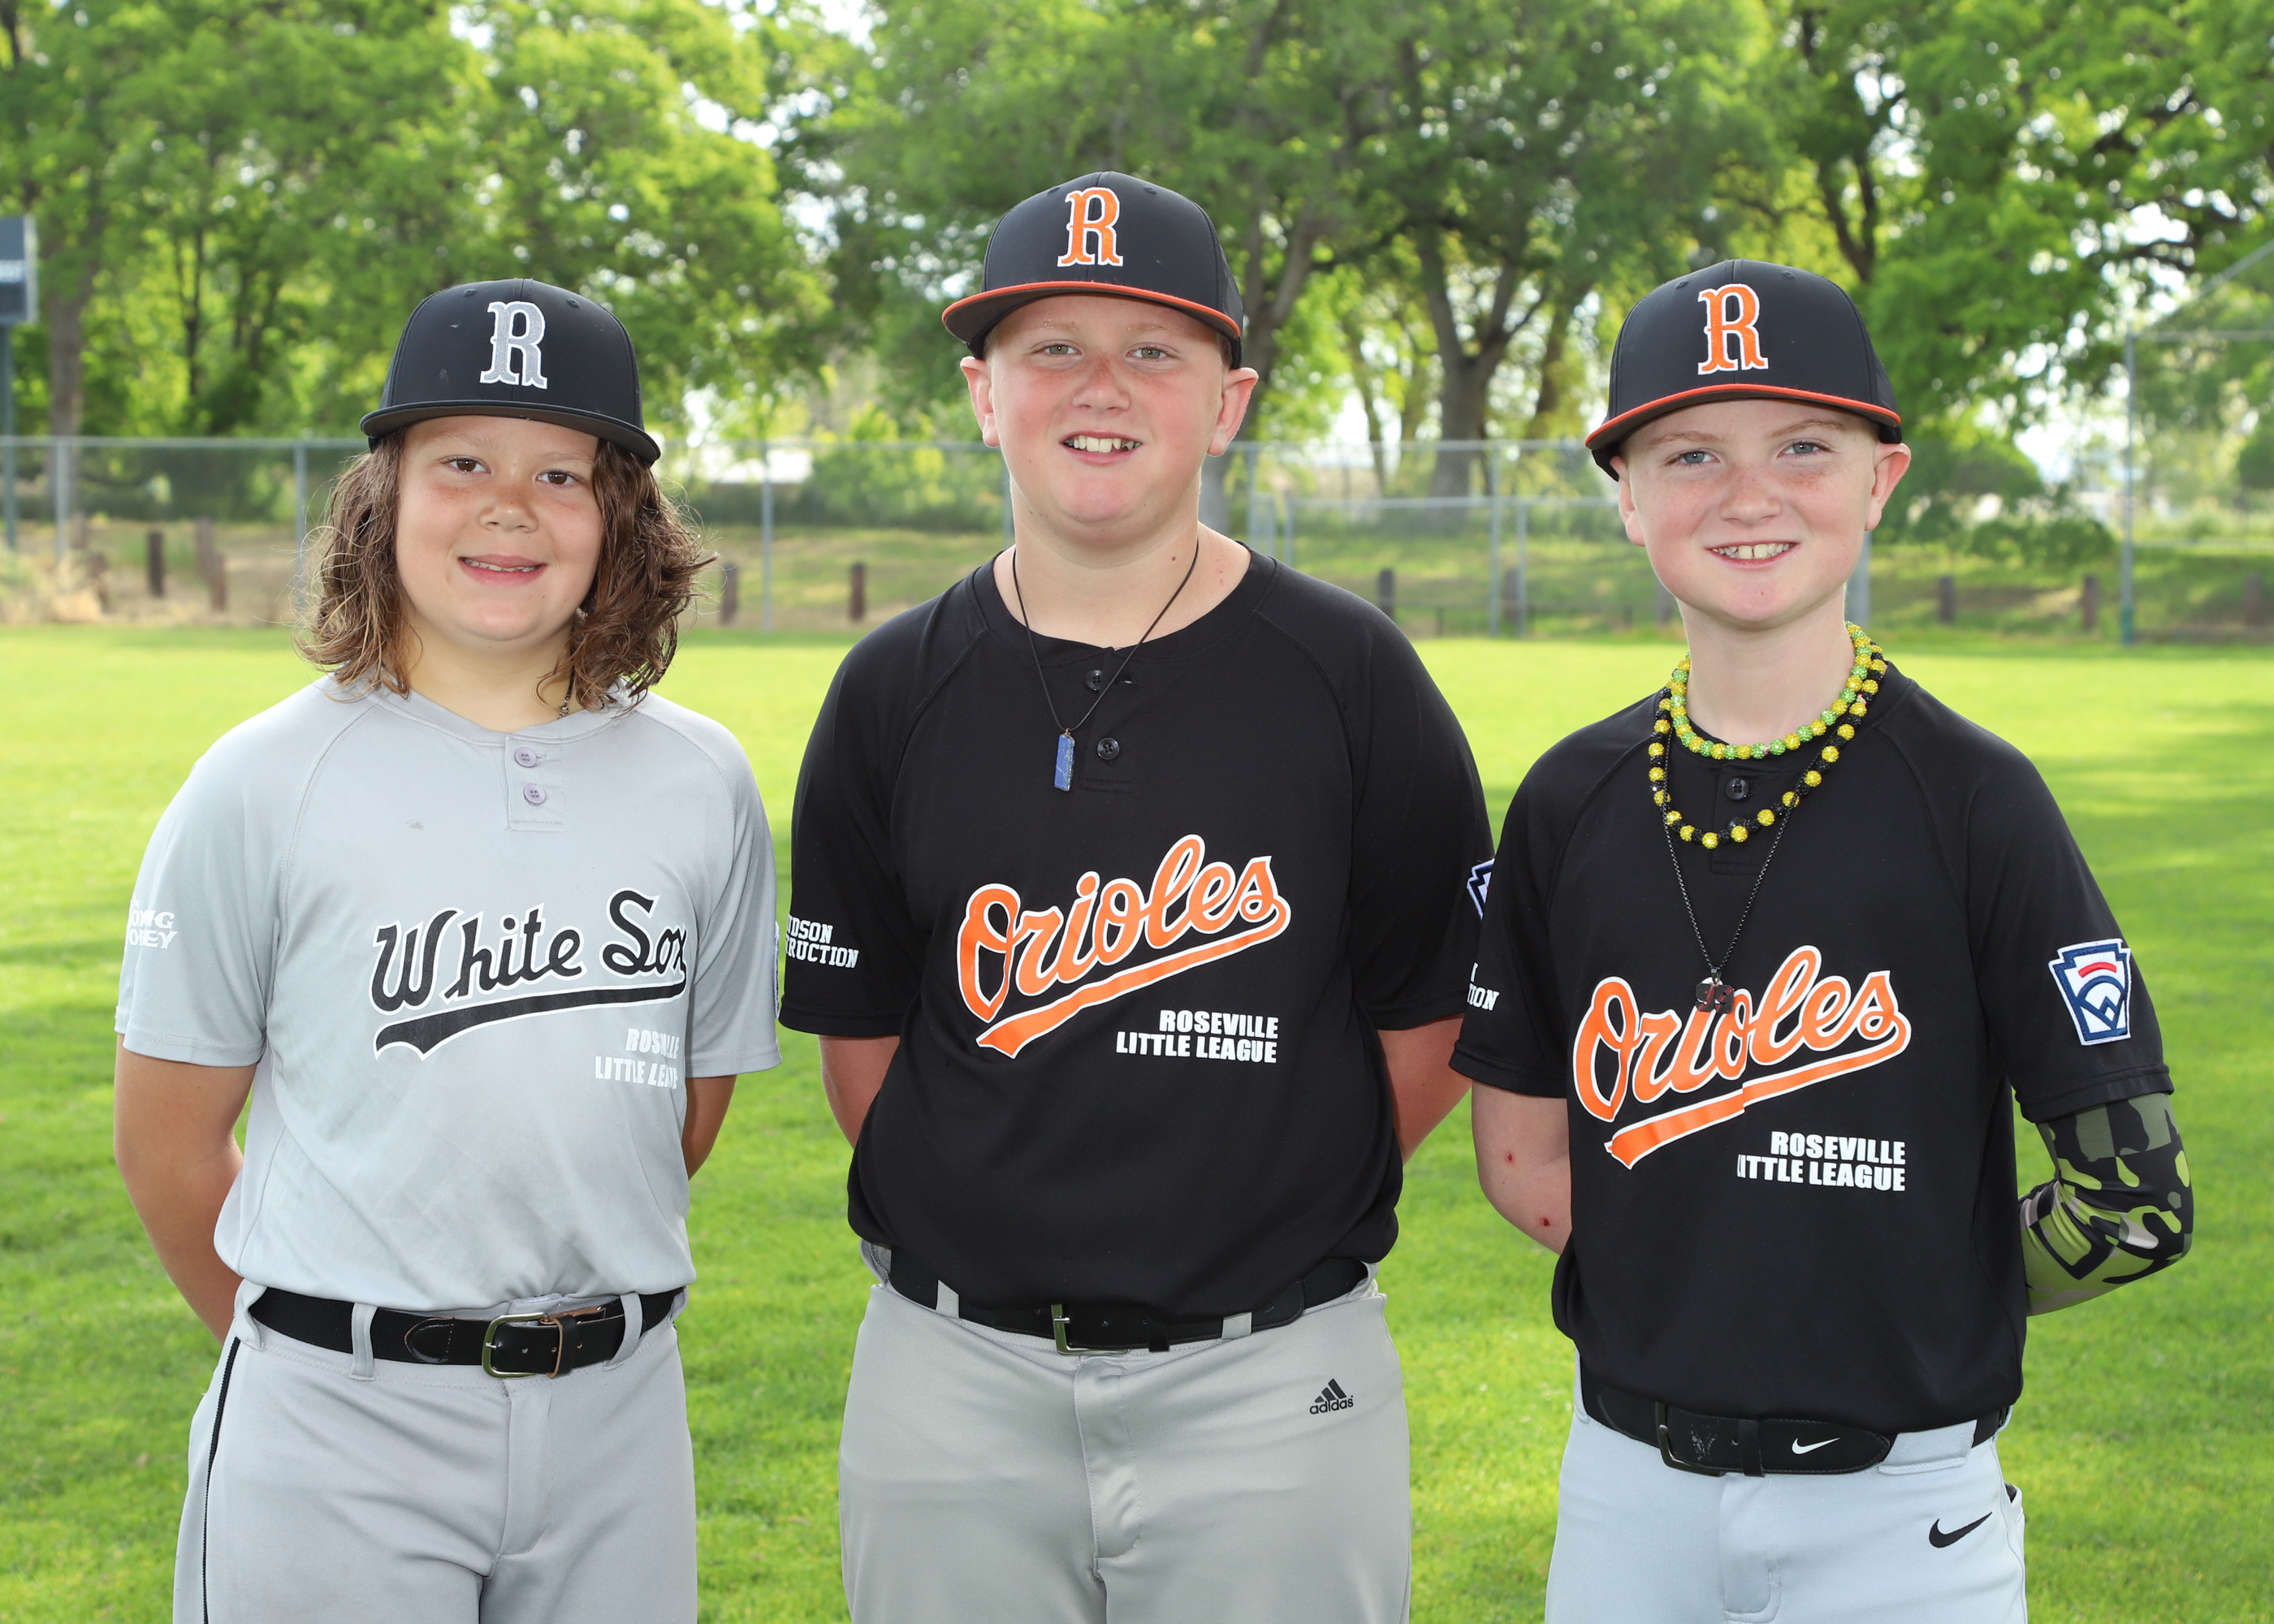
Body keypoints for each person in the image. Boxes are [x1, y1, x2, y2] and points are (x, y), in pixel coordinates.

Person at [778, 172, 1493, 1624]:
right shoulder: (892, 687)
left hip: (1273, 1376)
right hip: (952, 1376)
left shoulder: (1352, 675)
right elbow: (867, 1049)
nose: (1099, 387)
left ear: (1227, 403)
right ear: (984, 395)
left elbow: (1428, 1022)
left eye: (1153, 350)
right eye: (1052, 347)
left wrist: (1262, 1197)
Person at [1454, 259, 2193, 1623]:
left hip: (1904, 1515)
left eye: (1803, 446)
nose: (1750, 495)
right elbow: (1523, 1158)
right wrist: (1716, 1265)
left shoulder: (1977, 798)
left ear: (1880, 481)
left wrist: (1924, 1286)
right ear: (1627, 496)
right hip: (1627, 1494)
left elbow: (2137, 1200)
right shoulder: (1570, 798)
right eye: (1691, 453)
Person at [113, 278, 780, 1624]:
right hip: (337, 1421)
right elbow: (168, 1143)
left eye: (560, 474)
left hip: (618, 1413)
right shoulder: (263, 779)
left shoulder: (702, 779)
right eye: (460, 463)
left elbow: (678, 1115)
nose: (508, 507)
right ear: (384, 499)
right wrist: (329, 1354)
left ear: (623, 519)